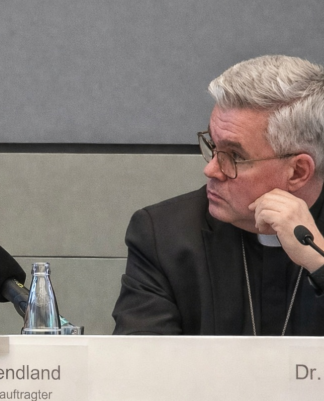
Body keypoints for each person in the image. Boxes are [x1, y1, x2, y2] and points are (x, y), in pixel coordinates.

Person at [112, 55, 324, 335]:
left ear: (297, 171)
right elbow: (140, 355)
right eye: (213, 146)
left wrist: (320, 264)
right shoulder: (163, 235)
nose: (211, 169)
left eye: (234, 156)